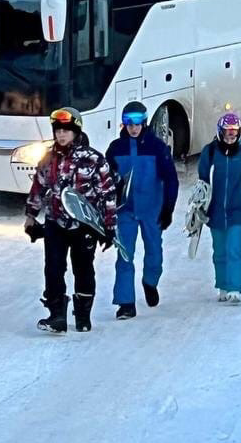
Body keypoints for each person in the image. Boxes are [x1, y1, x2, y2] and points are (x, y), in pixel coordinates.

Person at [24, 106, 117, 333]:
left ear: (76, 131)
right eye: (58, 130)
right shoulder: (48, 159)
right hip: (56, 222)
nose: (61, 135)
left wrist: (109, 227)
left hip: (84, 225)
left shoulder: (93, 158)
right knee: (53, 269)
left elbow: (108, 193)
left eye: (66, 130)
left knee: (83, 269)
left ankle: (83, 314)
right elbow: (39, 187)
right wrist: (31, 216)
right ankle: (57, 315)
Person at [106, 100, 179, 320]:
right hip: (126, 211)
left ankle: (150, 281)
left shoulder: (157, 147)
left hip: (152, 210)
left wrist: (168, 208)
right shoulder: (115, 148)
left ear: (145, 122)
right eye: (128, 122)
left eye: (137, 122)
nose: (133, 127)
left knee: (154, 252)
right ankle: (126, 302)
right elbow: (105, 179)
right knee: (125, 255)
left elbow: (171, 179)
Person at [196, 112, 241, 304]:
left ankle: (235, 287)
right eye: (227, 131)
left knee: (233, 246)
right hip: (215, 209)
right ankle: (223, 285)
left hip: (237, 207)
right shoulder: (210, 151)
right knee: (219, 250)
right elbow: (202, 181)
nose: (231, 135)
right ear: (220, 132)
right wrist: (199, 206)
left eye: (234, 132)